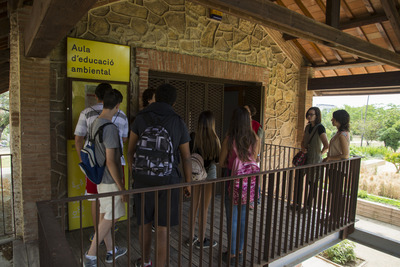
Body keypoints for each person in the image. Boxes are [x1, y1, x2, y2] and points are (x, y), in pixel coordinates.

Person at [127, 84, 192, 267]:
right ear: (174, 100)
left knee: (144, 222)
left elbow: (130, 151)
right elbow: (186, 158)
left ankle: (146, 261)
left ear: (155, 96)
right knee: (162, 227)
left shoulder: (141, 118)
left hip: (142, 180)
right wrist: (188, 183)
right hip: (168, 179)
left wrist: (136, 174)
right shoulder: (178, 121)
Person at [74, 83, 129, 241]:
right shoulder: (122, 115)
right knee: (114, 201)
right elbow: (124, 139)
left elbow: (78, 139)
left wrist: (83, 161)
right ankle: (104, 233)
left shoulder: (87, 113)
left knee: (95, 197)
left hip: (93, 164)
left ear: (97, 97)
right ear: (117, 104)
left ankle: (97, 233)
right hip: (115, 164)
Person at [84, 89, 128, 267]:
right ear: (117, 106)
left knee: (105, 217)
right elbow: (111, 161)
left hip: (100, 179)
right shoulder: (109, 128)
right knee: (112, 216)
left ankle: (111, 251)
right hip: (110, 180)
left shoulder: (94, 123)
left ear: (103, 102)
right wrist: (122, 186)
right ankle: (90, 255)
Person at [219, 107, 260, 265]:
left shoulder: (229, 140)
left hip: (232, 181)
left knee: (232, 219)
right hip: (248, 183)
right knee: (243, 219)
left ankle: (232, 252)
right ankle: (240, 250)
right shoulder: (255, 139)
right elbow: (253, 160)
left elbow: (222, 162)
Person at [186, 111, 221, 249]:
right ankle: (201, 239)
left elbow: (188, 157)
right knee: (204, 208)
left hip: (196, 173)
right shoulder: (215, 139)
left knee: (193, 205)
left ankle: (191, 237)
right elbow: (217, 160)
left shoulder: (193, 137)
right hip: (210, 173)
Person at [293, 107, 329, 210]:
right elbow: (303, 141)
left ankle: (307, 207)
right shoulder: (307, 127)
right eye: (308, 114)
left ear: (317, 115)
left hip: (314, 160)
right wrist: (303, 148)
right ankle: (297, 204)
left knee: (312, 184)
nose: (309, 116)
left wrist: (320, 155)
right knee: (298, 181)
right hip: (305, 158)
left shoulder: (320, 128)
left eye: (311, 114)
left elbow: (326, 145)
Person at [322, 109, 350, 224]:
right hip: (334, 167)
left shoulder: (342, 135)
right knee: (334, 193)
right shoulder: (340, 133)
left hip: (338, 168)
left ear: (339, 120)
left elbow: (345, 155)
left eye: (334, 118)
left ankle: (334, 218)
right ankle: (332, 217)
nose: (332, 120)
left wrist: (330, 158)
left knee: (336, 194)